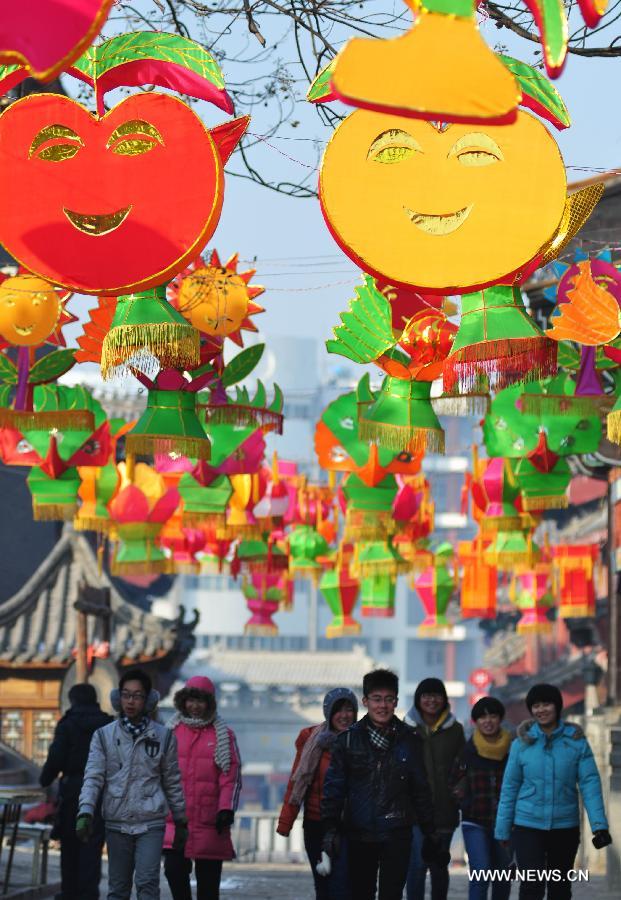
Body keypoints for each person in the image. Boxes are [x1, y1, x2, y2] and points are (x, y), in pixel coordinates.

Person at [321, 669, 447, 900]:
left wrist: (430, 832)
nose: (383, 706)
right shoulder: (347, 740)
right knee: (361, 893)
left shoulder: (410, 740)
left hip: (397, 832)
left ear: (396, 702)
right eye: (377, 699)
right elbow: (334, 787)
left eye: (389, 699)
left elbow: (420, 789)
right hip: (359, 832)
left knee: (392, 894)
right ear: (366, 701)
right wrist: (330, 827)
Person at [77, 668, 187, 900]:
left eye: (137, 696)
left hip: (151, 823)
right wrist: (85, 810)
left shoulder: (164, 737)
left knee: (147, 884)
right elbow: (93, 776)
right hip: (117, 823)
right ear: (118, 698)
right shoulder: (103, 736)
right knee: (118, 888)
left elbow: (172, 781)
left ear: (148, 700)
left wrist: (180, 820)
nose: (131, 701)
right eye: (126, 694)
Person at [495, 683, 612, 899]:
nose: (541, 710)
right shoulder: (521, 744)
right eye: (536, 705)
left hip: (565, 826)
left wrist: (599, 826)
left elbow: (590, 784)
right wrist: (502, 829)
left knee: (559, 888)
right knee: (532, 886)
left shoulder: (576, 742)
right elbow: (510, 788)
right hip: (527, 825)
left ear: (557, 706)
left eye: (546, 704)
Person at [162, 676, 242, 900]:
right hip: (176, 820)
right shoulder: (170, 733)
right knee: (174, 872)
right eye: (190, 700)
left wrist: (226, 808)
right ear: (183, 702)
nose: (194, 706)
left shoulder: (223, 736)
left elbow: (230, 777)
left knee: (208, 886)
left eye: (200, 701)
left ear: (210, 704)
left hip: (210, 821)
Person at [277, 687, 358, 899]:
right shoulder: (312, 741)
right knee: (322, 885)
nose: (344, 715)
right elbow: (297, 782)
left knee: (342, 886)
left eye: (349, 709)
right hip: (315, 824)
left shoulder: (361, 741)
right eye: (338, 710)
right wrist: (285, 823)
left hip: (349, 825)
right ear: (328, 713)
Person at [39, 683, 112, 900]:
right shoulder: (108, 725)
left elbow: (56, 756)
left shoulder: (67, 724)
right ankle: (88, 893)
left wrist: (45, 779)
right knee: (92, 843)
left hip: (73, 789)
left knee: (70, 842)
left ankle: (70, 891)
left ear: (73, 700)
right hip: (100, 790)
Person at [405, 677, 466, 900]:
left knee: (439, 865)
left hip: (445, 809)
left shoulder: (455, 730)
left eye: (436, 695)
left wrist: (459, 789)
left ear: (444, 699)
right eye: (426, 696)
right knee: (417, 865)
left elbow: (463, 765)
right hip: (415, 812)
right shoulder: (406, 729)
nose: (432, 700)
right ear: (418, 700)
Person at [449, 696, 513, 900]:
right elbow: (453, 782)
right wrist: (464, 801)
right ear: (476, 722)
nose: (488, 721)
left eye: (493, 716)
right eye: (482, 717)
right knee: (481, 872)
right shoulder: (467, 751)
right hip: (475, 821)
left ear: (500, 719)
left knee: (502, 876)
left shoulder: (513, 749)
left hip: (506, 823)